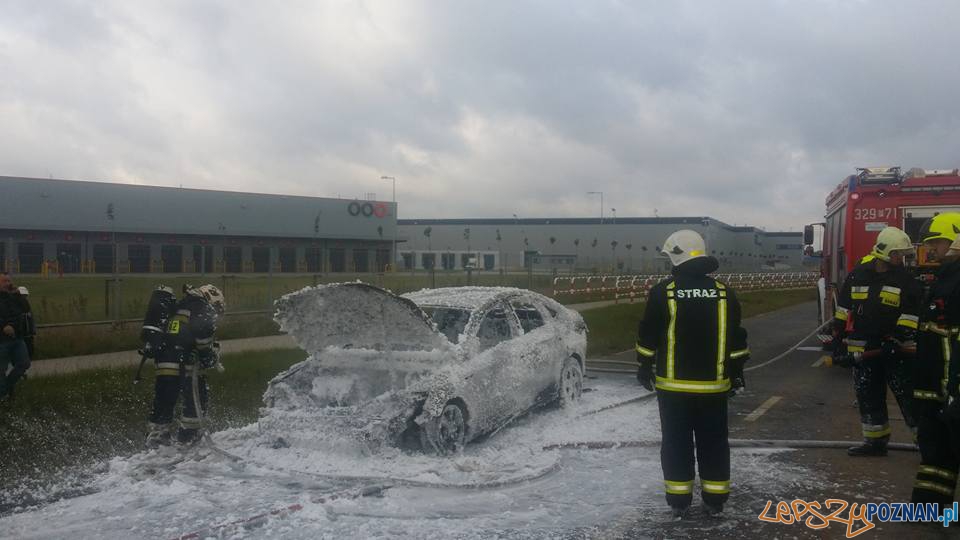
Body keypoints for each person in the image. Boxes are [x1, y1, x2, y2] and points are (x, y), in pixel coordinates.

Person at [636, 230, 750, 518]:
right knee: (714, 442)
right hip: (713, 389)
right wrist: (736, 374)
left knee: (676, 443)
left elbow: (648, 334)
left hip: (673, 390)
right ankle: (715, 498)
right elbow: (737, 340)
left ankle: (679, 500)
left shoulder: (664, 292)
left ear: (676, 256)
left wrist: (644, 366)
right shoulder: (724, 293)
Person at [832, 227, 920, 456]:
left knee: (908, 398)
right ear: (885, 252)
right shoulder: (859, 273)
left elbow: (912, 313)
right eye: (897, 254)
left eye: (903, 255)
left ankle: (927, 445)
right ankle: (875, 442)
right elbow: (843, 307)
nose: (901, 259)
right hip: (865, 347)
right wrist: (838, 337)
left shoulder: (905, 279)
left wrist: (899, 338)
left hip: (895, 349)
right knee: (868, 396)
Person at [911, 213, 960, 505]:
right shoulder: (944, 277)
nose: (931, 249)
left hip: (948, 383)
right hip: (934, 384)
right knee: (935, 447)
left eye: (937, 242)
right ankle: (931, 506)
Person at [146, 284, 225, 448]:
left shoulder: (180, 306)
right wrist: (208, 356)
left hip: (164, 363)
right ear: (211, 300)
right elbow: (202, 338)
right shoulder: (202, 307)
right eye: (217, 307)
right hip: (185, 364)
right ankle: (188, 437)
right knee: (196, 398)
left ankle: (157, 437)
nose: (216, 312)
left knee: (164, 399)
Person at [0, 272, 32, 401]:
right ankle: (4, 395)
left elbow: (25, 309)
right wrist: (3, 326)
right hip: (2, 340)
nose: (7, 284)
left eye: (9, 281)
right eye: (4, 281)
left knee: (24, 364)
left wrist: (19, 296)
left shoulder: (13, 297)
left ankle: (4, 391)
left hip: (17, 338)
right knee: (1, 369)